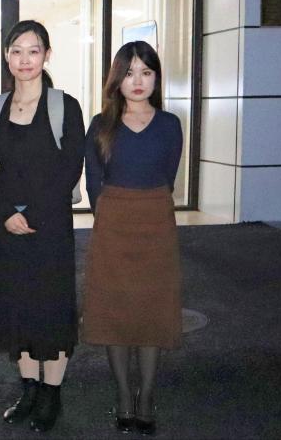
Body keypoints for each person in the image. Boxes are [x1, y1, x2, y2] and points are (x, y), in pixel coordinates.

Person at [0, 20, 85, 433]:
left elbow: (70, 166)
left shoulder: (64, 106)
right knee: (16, 305)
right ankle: (29, 389)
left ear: (47, 55)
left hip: (50, 226)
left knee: (51, 307)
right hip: (8, 227)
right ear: (7, 56)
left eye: (33, 50)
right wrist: (6, 212)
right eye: (17, 51)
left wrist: (35, 215)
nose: (25, 59)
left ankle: (51, 393)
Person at [82, 41, 183, 436]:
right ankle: (125, 395)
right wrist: (110, 214)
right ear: (117, 80)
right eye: (129, 73)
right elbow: (94, 182)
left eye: (146, 72)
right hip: (113, 225)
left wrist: (148, 206)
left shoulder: (170, 124)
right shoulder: (100, 124)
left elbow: (168, 177)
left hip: (156, 222)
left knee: (152, 311)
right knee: (115, 311)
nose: (137, 81)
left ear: (156, 78)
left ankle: (147, 397)